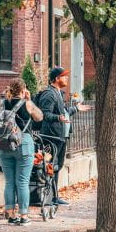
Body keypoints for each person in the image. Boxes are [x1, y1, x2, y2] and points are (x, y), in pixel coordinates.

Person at [36, 66, 92, 205]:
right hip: (51, 137)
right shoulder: (49, 94)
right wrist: (58, 118)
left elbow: (64, 111)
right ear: (56, 79)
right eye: (64, 76)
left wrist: (76, 108)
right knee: (50, 165)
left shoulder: (58, 93)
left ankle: (54, 196)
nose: (66, 78)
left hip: (61, 136)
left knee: (57, 166)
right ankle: (48, 197)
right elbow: (45, 114)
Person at [0, 78, 44, 225]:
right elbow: (39, 117)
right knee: (22, 182)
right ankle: (23, 216)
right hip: (23, 144)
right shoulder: (26, 103)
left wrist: (5, 97)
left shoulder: (1, 103)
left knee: (9, 182)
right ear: (23, 90)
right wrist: (28, 99)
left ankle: (10, 214)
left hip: (4, 144)